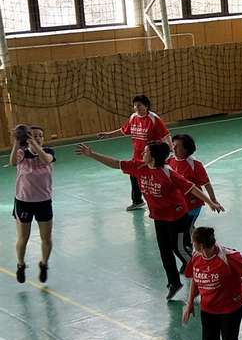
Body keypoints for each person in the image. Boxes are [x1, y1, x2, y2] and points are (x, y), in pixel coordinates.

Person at [75, 140, 222, 299]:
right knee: (164, 251)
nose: (142, 153)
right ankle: (174, 283)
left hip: (177, 217)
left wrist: (210, 202)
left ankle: (204, 273)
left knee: (179, 248)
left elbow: (191, 188)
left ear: (153, 156)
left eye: (145, 152)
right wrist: (92, 154)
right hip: (159, 217)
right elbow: (116, 163)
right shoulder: (139, 167)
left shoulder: (167, 172)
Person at [98, 94, 171, 211]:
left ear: (146, 106)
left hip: (152, 156)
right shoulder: (133, 117)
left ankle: (167, 199)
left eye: (139, 105)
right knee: (133, 176)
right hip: (137, 155)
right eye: (135, 105)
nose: (137, 108)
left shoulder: (153, 119)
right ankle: (137, 201)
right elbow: (124, 130)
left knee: (157, 177)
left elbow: (166, 135)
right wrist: (108, 134)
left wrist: (171, 149)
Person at [10, 125, 55, 284]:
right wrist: (17, 142)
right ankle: (21, 265)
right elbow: (12, 162)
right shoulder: (22, 153)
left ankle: (44, 264)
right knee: (23, 237)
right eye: (34, 135)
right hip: (24, 202)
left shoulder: (49, 152)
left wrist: (34, 144)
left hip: (44, 202)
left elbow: (45, 160)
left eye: (40, 135)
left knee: (46, 238)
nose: (37, 138)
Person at [168, 134, 218, 224]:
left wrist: (213, 201)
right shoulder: (170, 160)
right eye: (173, 145)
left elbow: (206, 184)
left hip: (192, 204)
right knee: (183, 227)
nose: (173, 148)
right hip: (178, 203)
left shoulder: (195, 164)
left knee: (186, 227)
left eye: (177, 146)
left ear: (186, 149)